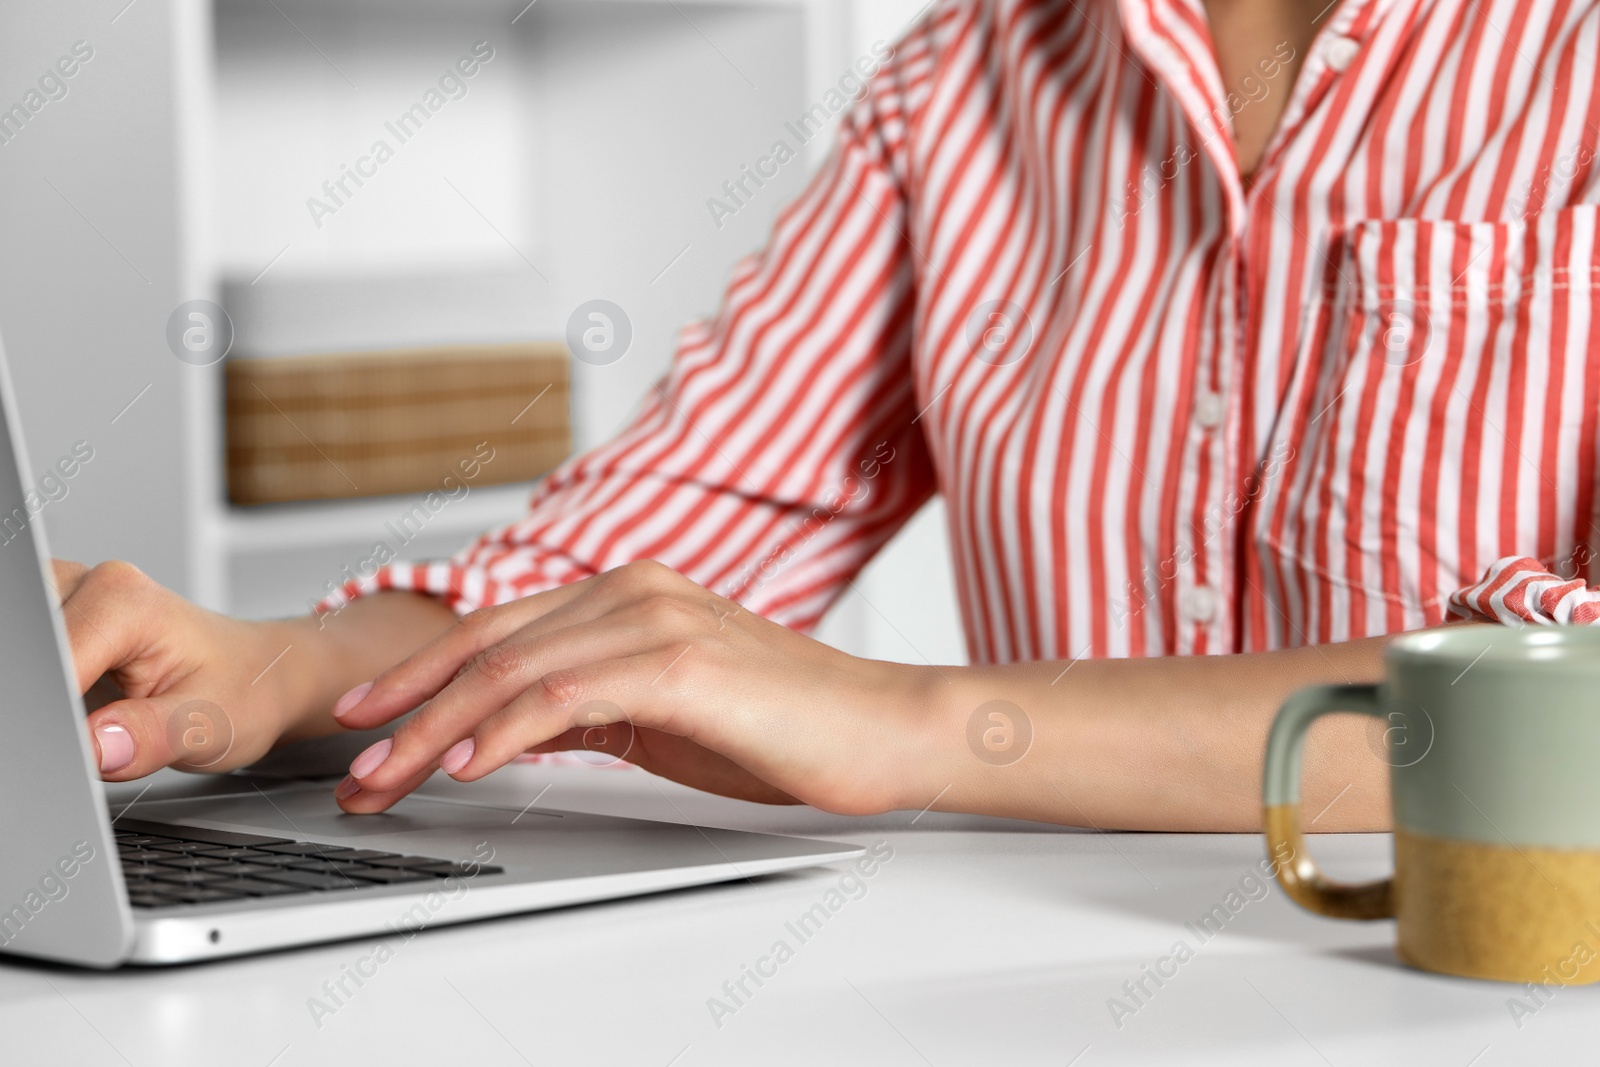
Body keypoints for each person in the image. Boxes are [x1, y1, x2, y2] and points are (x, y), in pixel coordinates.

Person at [57, 0, 1600, 831]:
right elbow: (662, 540)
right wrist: (271, 669)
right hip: (1029, 999)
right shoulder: (968, 77)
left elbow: (1579, 708)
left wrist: (906, 723)